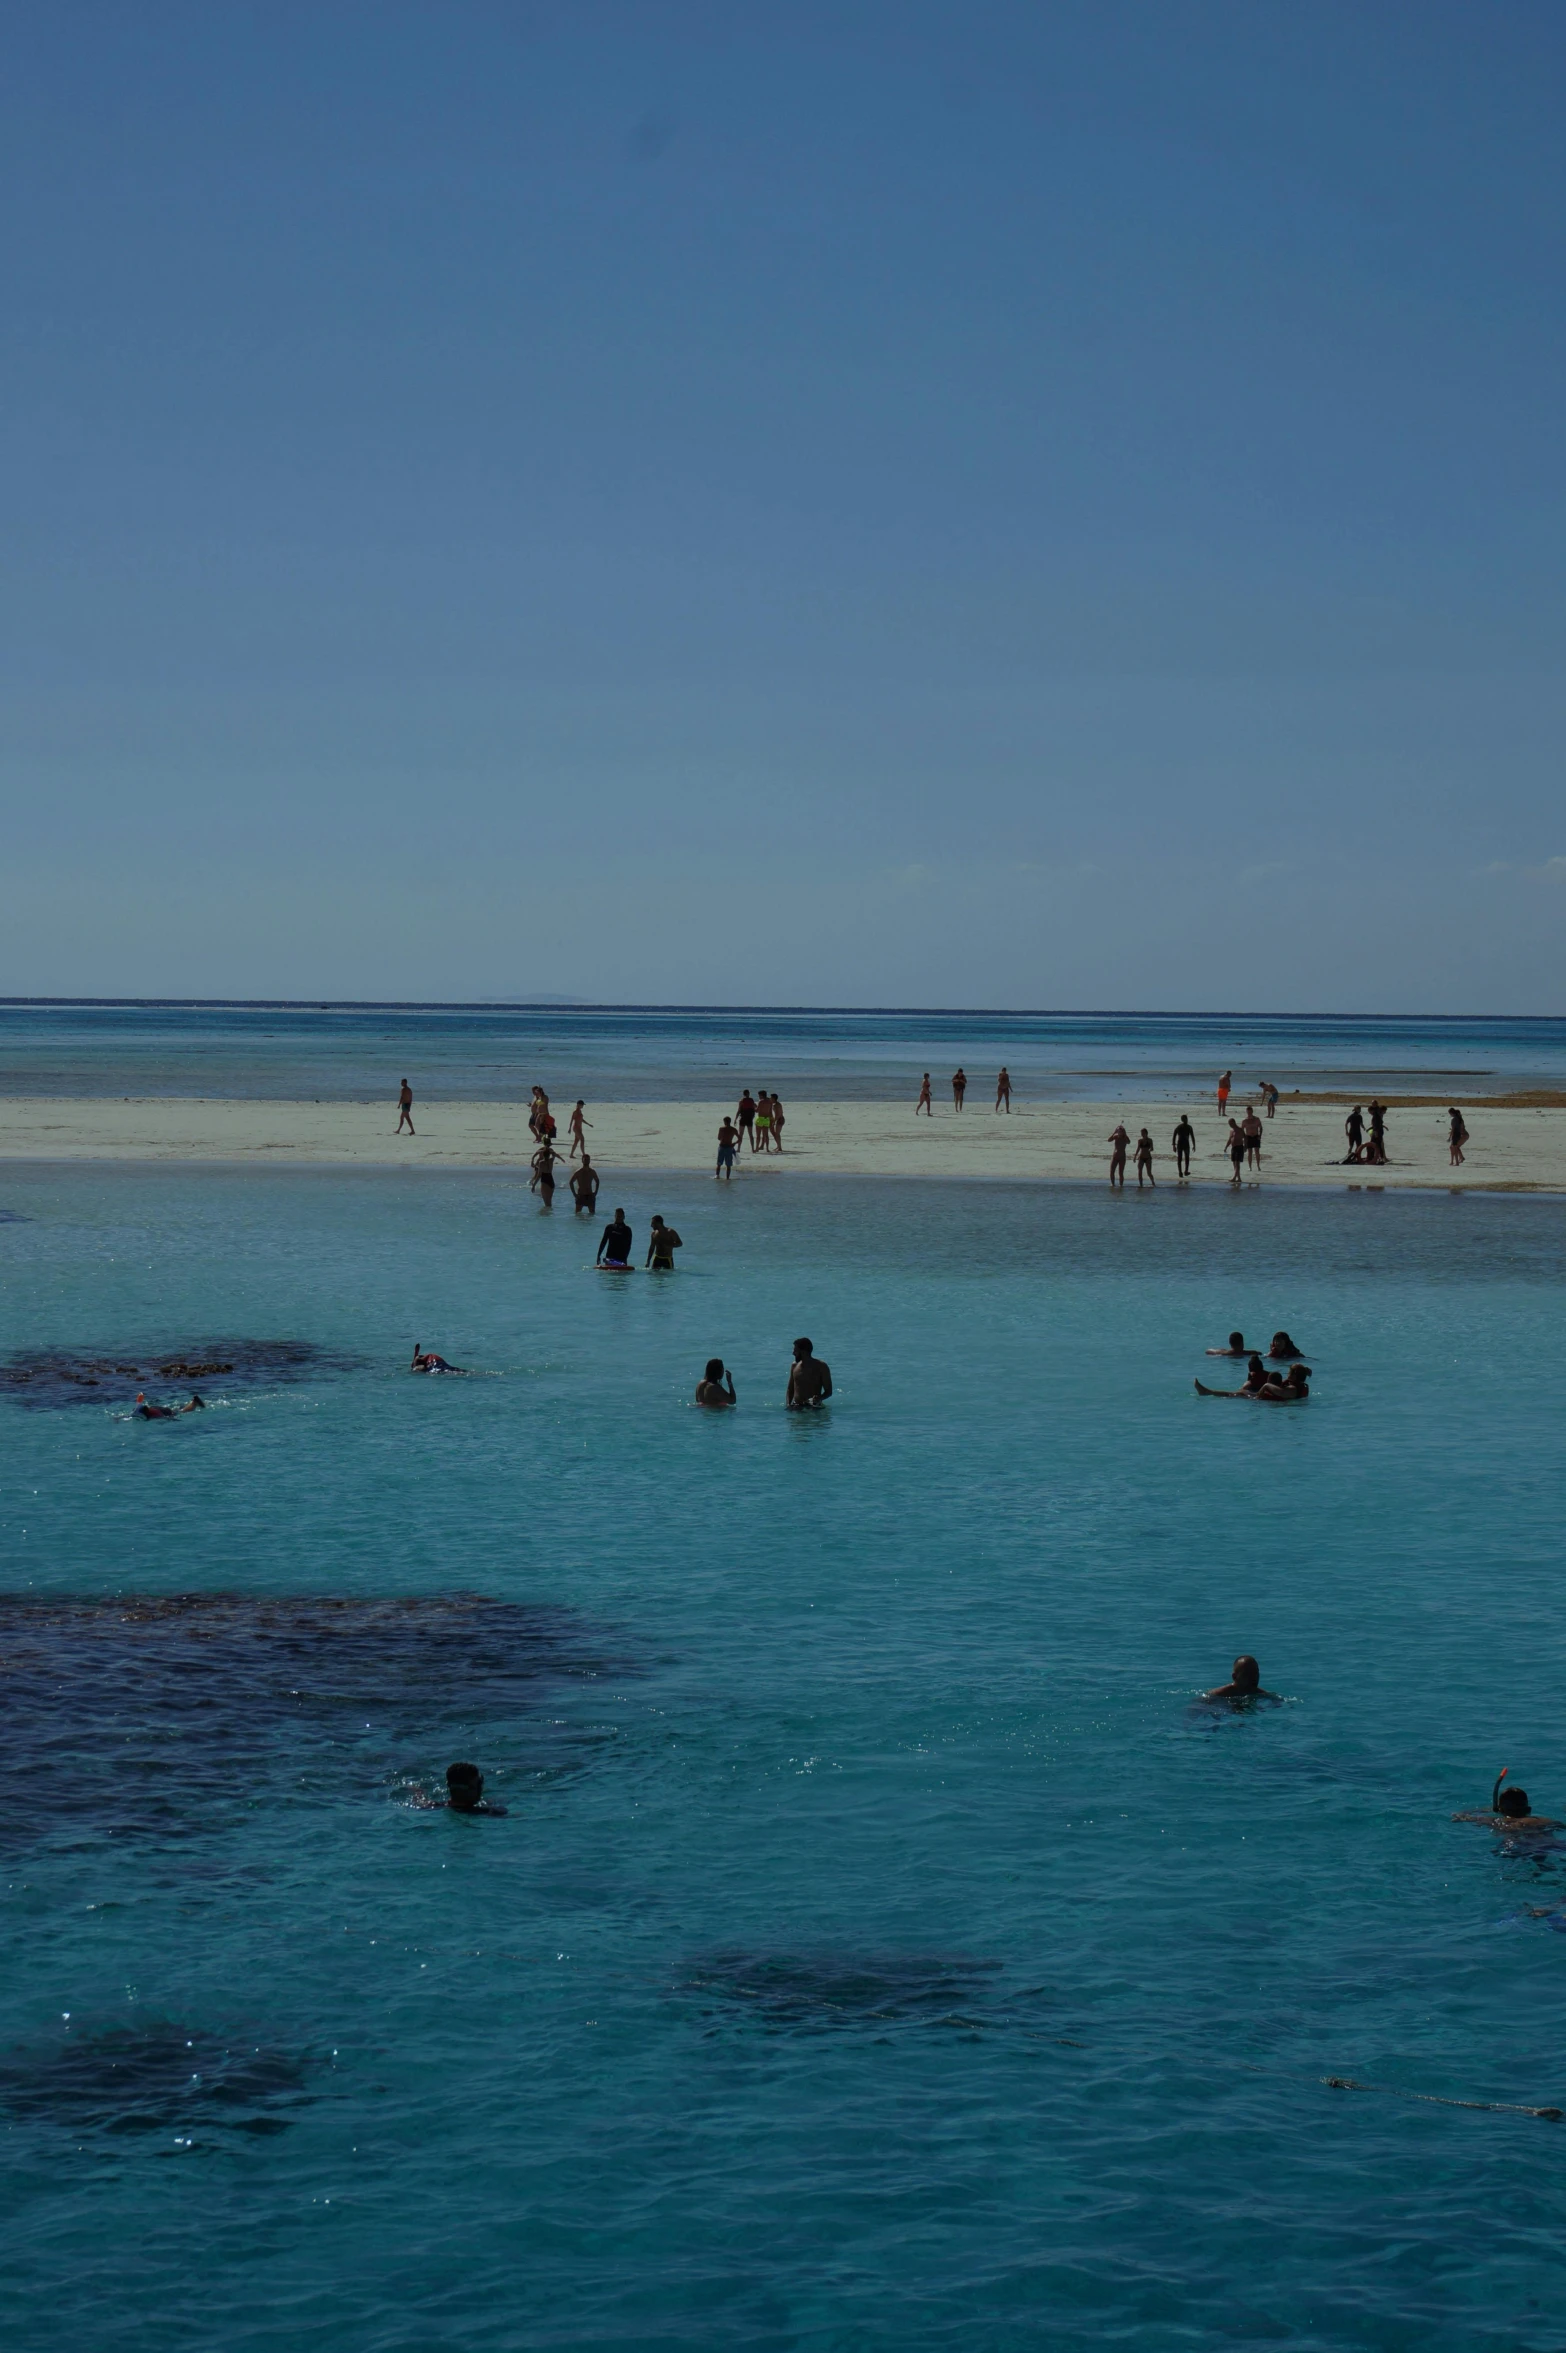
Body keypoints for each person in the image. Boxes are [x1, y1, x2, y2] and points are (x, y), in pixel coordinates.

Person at [1454, 1769, 1560, 1833]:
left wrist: (1492, 1809)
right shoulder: (1544, 1821)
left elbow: (1460, 1815)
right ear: (1529, 1809)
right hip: (1554, 1846)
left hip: (1524, 1847)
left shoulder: (1498, 1822)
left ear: (1501, 1810)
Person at [1201, 1655, 1281, 1705]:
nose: (1252, 1678)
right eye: (1247, 1674)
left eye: (1255, 1673)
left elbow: (1279, 1702)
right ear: (1234, 1677)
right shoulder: (1217, 1694)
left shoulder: (1261, 1693)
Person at [786, 1336, 833, 1409]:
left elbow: (829, 1391)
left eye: (796, 1350)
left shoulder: (821, 1367)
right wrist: (788, 1405)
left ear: (803, 1352)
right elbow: (790, 1389)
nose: (793, 1353)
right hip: (797, 1407)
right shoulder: (794, 1366)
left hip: (814, 1408)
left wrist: (820, 1398)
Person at [1107, 1122, 1129, 1188]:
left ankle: (1121, 1185)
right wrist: (1114, 1132)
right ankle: (1113, 1184)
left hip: (1122, 1157)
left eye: (1120, 1131)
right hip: (1115, 1156)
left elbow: (1129, 1142)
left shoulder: (1124, 1137)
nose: (1119, 1133)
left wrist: (1125, 1134)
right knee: (1112, 1171)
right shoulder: (1115, 1136)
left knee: (1121, 1172)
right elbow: (1109, 1140)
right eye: (1118, 1131)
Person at [1241, 1105, 1263, 1170]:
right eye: (1248, 1112)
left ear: (1252, 1111)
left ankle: (1258, 1166)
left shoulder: (1256, 1119)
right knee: (1249, 1152)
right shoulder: (1245, 1121)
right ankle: (1250, 1167)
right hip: (1248, 1137)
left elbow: (1261, 1127)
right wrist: (1244, 1137)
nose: (1249, 1113)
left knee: (1257, 1152)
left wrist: (1260, 1135)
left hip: (1256, 1136)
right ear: (1247, 1112)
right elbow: (1242, 1130)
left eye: (1250, 1112)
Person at [1226, 1118, 1246, 1183]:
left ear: (1234, 1122)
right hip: (1233, 1148)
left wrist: (1245, 1147)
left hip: (1239, 1147)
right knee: (1234, 1163)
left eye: (1231, 1123)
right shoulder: (1231, 1130)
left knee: (1237, 1163)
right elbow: (1230, 1139)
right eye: (1229, 1124)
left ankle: (1234, 1177)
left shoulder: (1240, 1130)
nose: (1230, 1125)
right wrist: (1226, 1147)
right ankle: (1239, 1178)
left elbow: (1245, 1138)